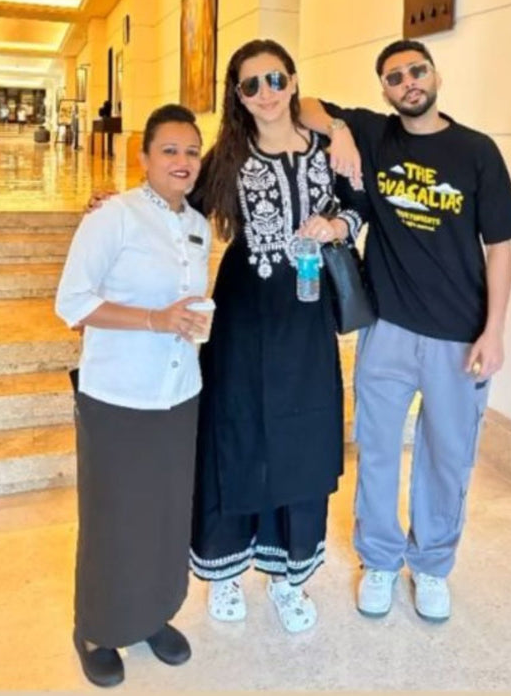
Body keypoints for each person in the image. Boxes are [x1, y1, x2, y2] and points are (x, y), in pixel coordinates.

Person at [299, 39, 511, 624]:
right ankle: (379, 560)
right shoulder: (374, 134)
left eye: (416, 71)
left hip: (460, 335)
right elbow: (303, 105)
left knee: (447, 457)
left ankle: (430, 565)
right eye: (394, 77)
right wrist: (340, 131)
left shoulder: (477, 151)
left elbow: (500, 249)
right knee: (377, 450)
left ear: (435, 75)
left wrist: (494, 331)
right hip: (389, 329)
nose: (408, 83)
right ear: (384, 90)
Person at [188, 38, 362, 634]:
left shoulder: (327, 148)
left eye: (275, 79)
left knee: (303, 436)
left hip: (307, 319)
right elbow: (178, 201)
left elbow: (359, 207)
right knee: (235, 429)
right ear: (237, 96)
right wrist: (116, 207)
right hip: (244, 315)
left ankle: (291, 576)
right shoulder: (229, 158)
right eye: (251, 85)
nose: (266, 93)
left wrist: (335, 223)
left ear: (292, 81)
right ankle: (225, 570)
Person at [55, 104, 212, 688]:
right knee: (113, 515)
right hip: (118, 394)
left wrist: (190, 324)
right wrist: (154, 319)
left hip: (178, 391)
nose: (182, 161)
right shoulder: (113, 217)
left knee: (166, 512)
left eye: (191, 151)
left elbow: (187, 302)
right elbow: (72, 303)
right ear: (144, 157)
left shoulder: (199, 225)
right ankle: (96, 628)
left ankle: (152, 615)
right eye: (169, 150)